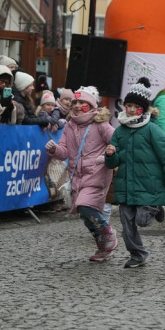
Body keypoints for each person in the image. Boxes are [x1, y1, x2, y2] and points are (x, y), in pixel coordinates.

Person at [105, 78, 165, 268]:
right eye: (128, 105)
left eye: (135, 106)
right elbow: (113, 160)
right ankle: (138, 254)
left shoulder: (152, 129)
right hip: (127, 186)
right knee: (126, 225)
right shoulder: (120, 131)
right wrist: (111, 155)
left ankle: (156, 208)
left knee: (142, 220)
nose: (129, 109)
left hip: (149, 186)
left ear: (143, 108)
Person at [45, 86, 117, 262]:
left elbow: (116, 142)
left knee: (85, 205)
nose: (77, 106)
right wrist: (54, 149)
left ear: (91, 105)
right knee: (84, 213)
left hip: (97, 172)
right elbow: (64, 151)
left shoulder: (101, 124)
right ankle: (103, 247)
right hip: (76, 174)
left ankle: (108, 234)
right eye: (75, 102)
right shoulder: (70, 125)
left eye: (82, 102)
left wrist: (107, 155)